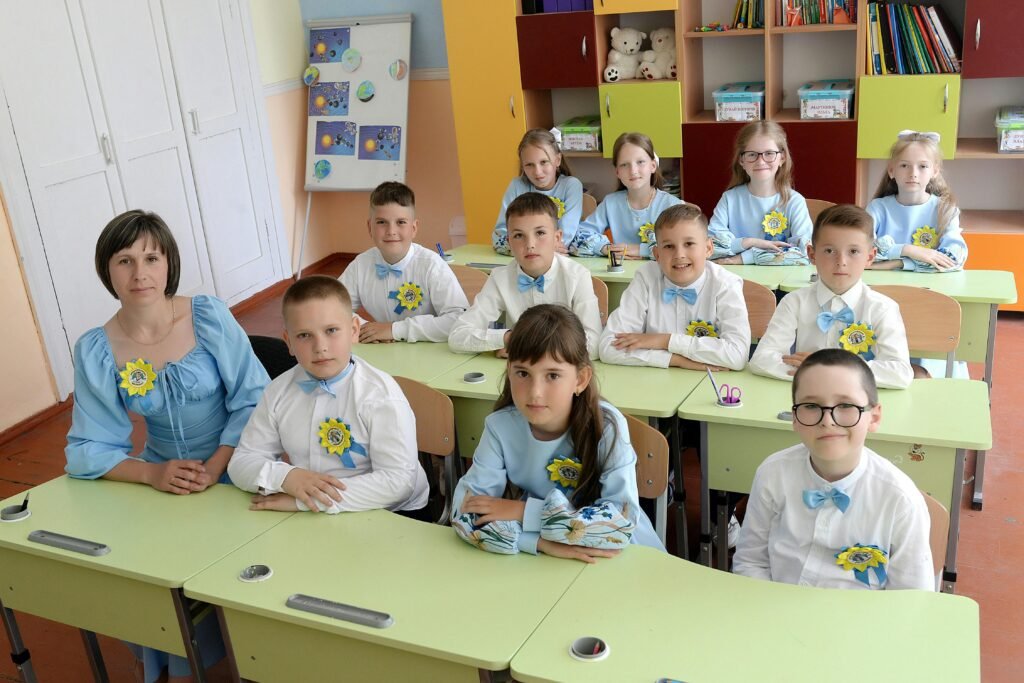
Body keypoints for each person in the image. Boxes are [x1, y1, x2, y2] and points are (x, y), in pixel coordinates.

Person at [65, 209, 269, 682]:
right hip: (161, 474)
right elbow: (89, 444)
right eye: (125, 261)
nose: (140, 274)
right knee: (135, 564)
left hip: (238, 458)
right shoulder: (97, 348)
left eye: (152, 258)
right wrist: (150, 474)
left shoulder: (208, 316)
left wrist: (219, 464)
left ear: (169, 263)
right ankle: (174, 657)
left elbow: (255, 399)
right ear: (107, 270)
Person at [450, 304, 663, 560]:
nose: (535, 392)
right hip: (547, 554)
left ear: (580, 380)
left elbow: (619, 524)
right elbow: (463, 514)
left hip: (619, 556)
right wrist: (536, 542)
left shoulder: (606, 426)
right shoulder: (499, 426)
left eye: (552, 375)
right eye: (522, 373)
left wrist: (524, 513)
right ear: (509, 371)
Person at [227, 276, 429, 518]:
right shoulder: (278, 390)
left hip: (389, 513)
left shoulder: (380, 395)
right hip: (313, 510)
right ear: (288, 342)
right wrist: (286, 477)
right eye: (304, 336)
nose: (320, 346)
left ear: (353, 331)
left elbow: (397, 484)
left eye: (331, 330)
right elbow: (241, 462)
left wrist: (309, 500)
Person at [733, 348, 934, 590]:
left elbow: (910, 597)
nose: (827, 420)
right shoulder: (772, 473)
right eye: (811, 406)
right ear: (794, 417)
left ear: (874, 417)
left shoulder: (900, 500)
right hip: (774, 610)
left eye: (846, 405)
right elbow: (750, 561)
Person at [749, 204, 913, 389]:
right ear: (812, 254)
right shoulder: (794, 302)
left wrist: (832, 369)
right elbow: (761, 359)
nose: (841, 262)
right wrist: (814, 375)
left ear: (870, 257)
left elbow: (900, 373)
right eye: (829, 251)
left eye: (853, 252)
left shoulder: (883, 308)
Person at [448, 192, 602, 358]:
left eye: (540, 233)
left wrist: (525, 347)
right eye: (519, 235)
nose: (530, 245)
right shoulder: (500, 278)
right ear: (509, 241)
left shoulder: (578, 276)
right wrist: (509, 338)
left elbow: (593, 346)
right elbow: (457, 337)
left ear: (557, 238)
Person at [599, 203, 750, 370]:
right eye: (669, 246)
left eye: (689, 244)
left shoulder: (725, 284)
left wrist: (664, 341)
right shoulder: (646, 277)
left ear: (708, 248)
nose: (679, 255)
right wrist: (676, 360)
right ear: (657, 254)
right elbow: (608, 348)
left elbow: (737, 356)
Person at [340, 181, 468, 343]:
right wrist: (368, 330)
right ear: (369, 227)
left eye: (401, 222)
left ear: (414, 228)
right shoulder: (361, 265)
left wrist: (395, 330)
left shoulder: (431, 265)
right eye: (381, 222)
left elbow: (459, 320)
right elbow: (334, 309)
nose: (391, 231)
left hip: (428, 353)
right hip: (381, 351)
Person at [708, 121, 812, 266]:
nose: (761, 161)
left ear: (782, 158)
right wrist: (751, 242)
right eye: (752, 155)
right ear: (741, 160)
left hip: (779, 283)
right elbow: (711, 246)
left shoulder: (794, 201)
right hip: (736, 280)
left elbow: (804, 253)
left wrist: (745, 257)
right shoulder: (729, 199)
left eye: (769, 153)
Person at [570, 132, 682, 259]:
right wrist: (605, 248)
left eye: (640, 162)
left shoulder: (672, 206)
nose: (633, 171)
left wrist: (641, 250)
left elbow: (681, 245)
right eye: (624, 164)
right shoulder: (611, 203)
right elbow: (579, 235)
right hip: (621, 276)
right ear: (617, 172)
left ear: (653, 166)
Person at [867, 130, 967, 273]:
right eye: (904, 165)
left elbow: (954, 259)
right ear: (891, 170)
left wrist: (901, 263)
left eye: (923, 166)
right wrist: (908, 250)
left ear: (934, 172)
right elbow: (860, 252)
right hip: (883, 288)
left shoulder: (945, 210)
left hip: (932, 289)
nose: (913, 173)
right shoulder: (877, 209)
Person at [492, 128, 583, 254]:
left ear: (557, 160)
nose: (537, 172)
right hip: (524, 256)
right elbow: (500, 232)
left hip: (559, 257)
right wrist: (530, 249)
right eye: (529, 165)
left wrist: (541, 249)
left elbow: (566, 233)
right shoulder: (516, 186)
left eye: (544, 162)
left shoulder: (571, 185)